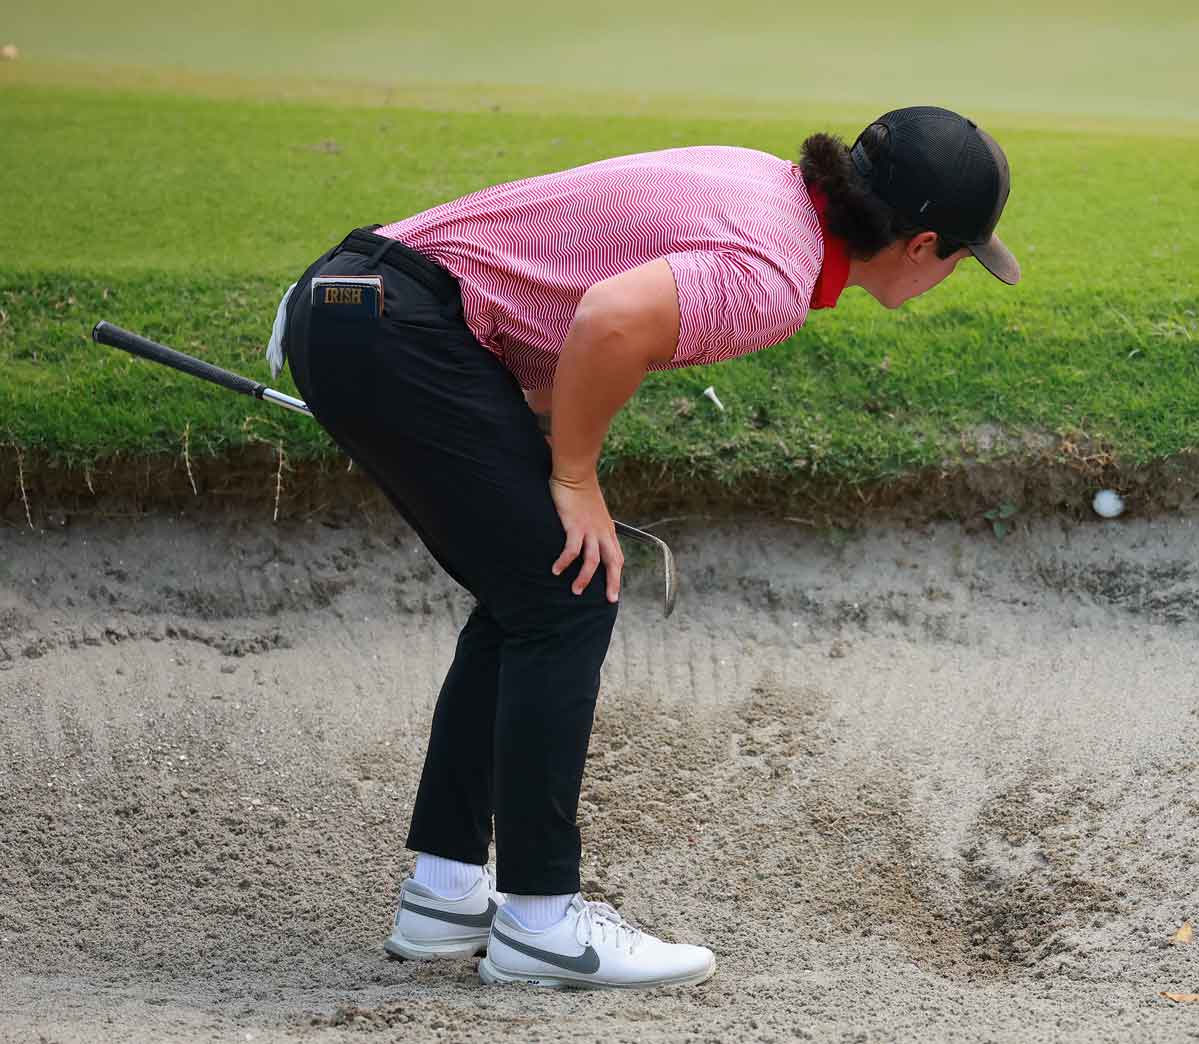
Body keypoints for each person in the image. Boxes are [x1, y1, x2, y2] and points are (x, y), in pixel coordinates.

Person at [273, 105, 1018, 990]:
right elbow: (611, 319)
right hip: (394, 322)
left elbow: (557, 323)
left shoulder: (768, 186)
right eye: (963, 258)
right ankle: (541, 924)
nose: (953, 274)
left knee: (531, 589)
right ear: (923, 245)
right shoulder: (774, 274)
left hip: (358, 298)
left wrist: (358, 343)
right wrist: (574, 478)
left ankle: (444, 894)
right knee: (566, 594)